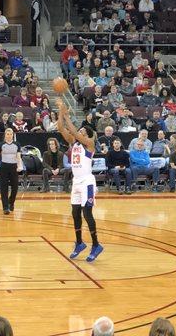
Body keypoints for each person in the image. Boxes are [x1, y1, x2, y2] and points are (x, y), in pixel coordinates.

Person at [57, 98, 104, 262]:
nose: (80, 131)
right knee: (75, 213)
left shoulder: (89, 143)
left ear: (88, 134)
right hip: (76, 182)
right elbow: (61, 128)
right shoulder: (74, 143)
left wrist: (67, 115)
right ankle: (79, 243)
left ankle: (96, 245)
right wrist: (60, 113)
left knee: (87, 213)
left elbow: (75, 132)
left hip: (87, 182)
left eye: (83, 130)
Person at [0, 128, 23, 215]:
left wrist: (20, 166)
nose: (9, 136)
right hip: (4, 167)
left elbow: (18, 157)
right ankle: (5, 207)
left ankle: (11, 202)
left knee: (15, 187)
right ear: (5, 135)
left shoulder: (17, 145)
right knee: (4, 188)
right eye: (7, 134)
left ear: (13, 135)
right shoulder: (1, 145)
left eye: (10, 134)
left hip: (13, 167)